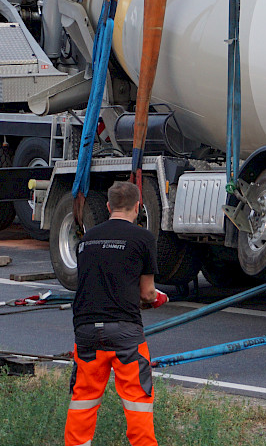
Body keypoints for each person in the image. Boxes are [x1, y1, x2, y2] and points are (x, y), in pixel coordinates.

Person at [65, 181, 167, 446]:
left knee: (83, 402)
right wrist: (158, 299)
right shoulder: (143, 238)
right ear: (138, 207)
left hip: (86, 333)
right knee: (137, 403)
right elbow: (147, 293)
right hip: (125, 334)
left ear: (109, 206)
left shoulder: (86, 240)